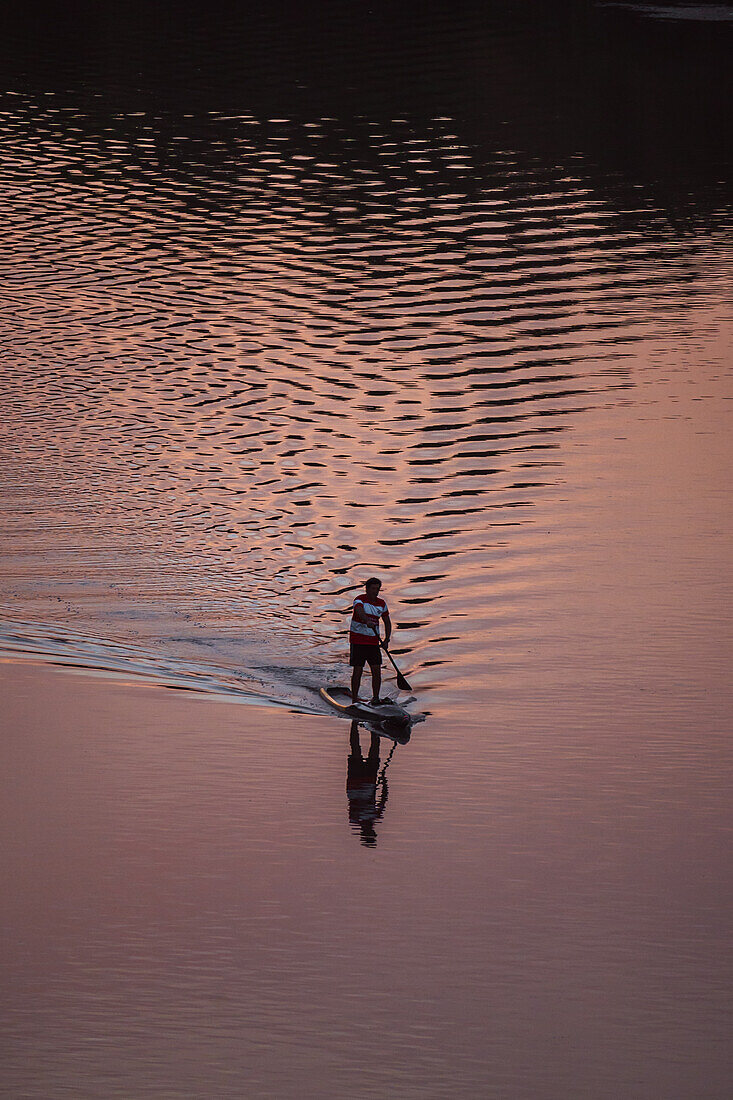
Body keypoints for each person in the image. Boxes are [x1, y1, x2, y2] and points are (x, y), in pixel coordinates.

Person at [349, 576, 392, 704]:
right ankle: (354, 698)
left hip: (373, 642)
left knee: (376, 671)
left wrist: (386, 640)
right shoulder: (359, 600)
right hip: (358, 641)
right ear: (367, 589)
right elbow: (359, 611)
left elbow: (387, 623)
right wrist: (366, 620)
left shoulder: (382, 604)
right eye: (373, 588)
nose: (375, 591)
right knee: (358, 670)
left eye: (377, 589)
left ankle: (376, 698)